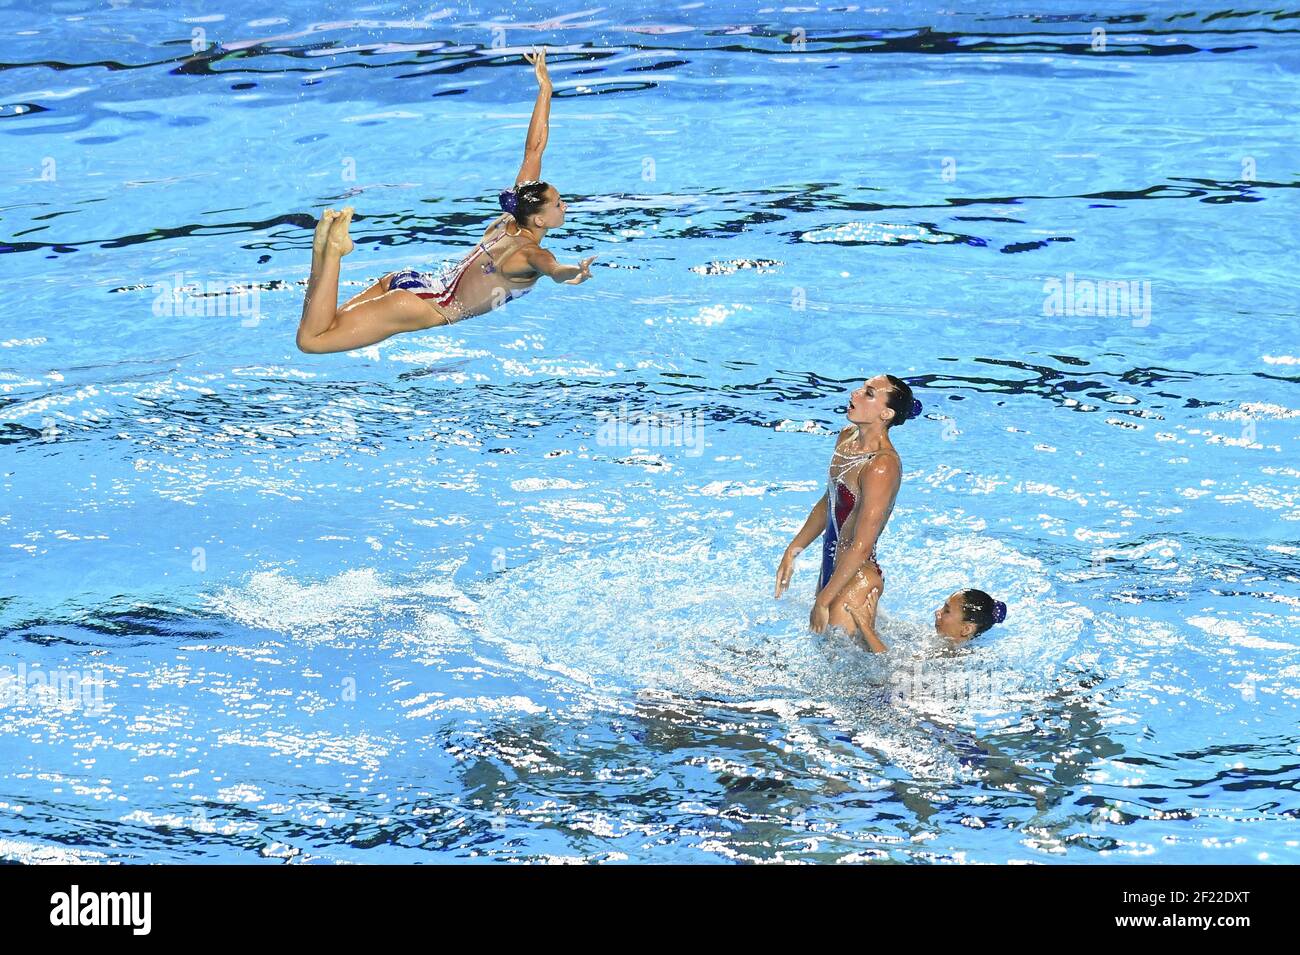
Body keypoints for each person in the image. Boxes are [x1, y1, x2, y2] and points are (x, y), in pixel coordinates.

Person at [295, 48, 597, 354]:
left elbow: (534, 150)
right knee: (312, 341)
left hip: (413, 283)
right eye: (559, 204)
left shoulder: (511, 218)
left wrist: (545, 89)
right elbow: (554, 269)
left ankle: (326, 251)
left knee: (325, 325)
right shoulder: (531, 252)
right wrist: (576, 271)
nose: (565, 206)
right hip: (423, 307)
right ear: (540, 219)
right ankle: (330, 253)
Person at [774, 374, 921, 639]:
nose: (854, 394)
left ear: (886, 413)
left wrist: (822, 601)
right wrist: (793, 549)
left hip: (855, 578)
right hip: (833, 569)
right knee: (828, 658)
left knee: (851, 676)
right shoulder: (846, 438)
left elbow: (862, 545)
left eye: (868, 393)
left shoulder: (881, 466)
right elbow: (829, 501)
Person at [846, 588, 1008, 653]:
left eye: (947, 611)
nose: (937, 612)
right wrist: (876, 611)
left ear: (966, 629)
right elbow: (894, 629)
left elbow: (888, 667)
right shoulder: (942, 641)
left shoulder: (946, 656)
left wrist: (866, 627)